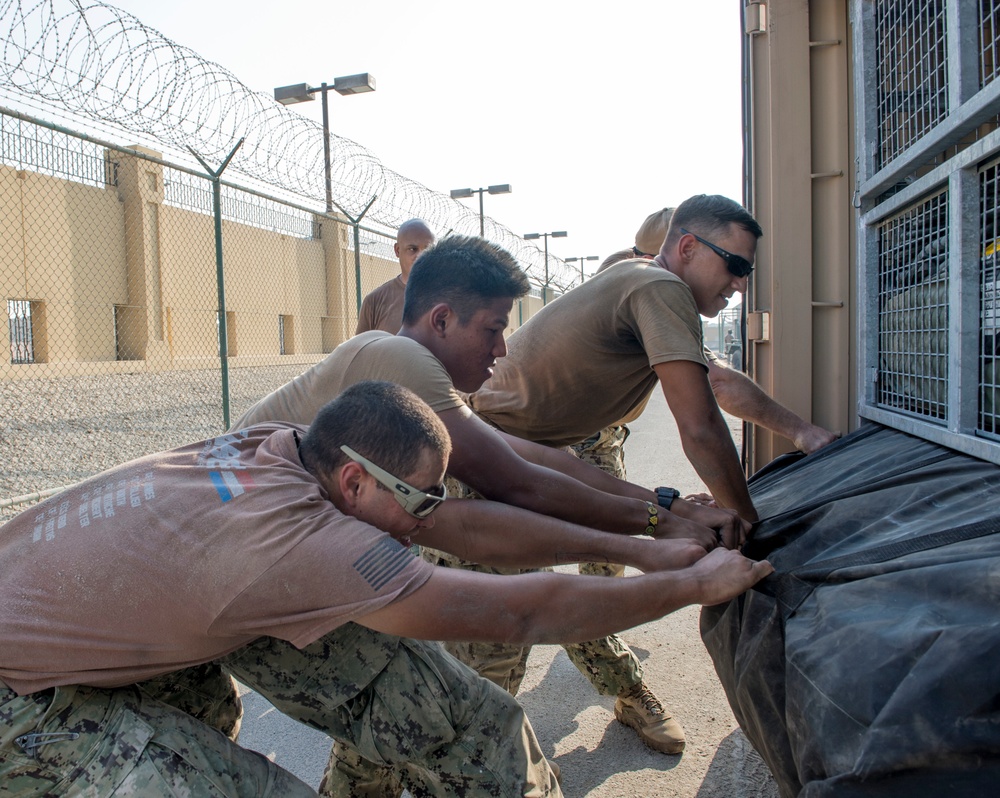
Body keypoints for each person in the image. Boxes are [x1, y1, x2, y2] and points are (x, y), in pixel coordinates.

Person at [0, 380, 773, 796]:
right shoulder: (303, 543)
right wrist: (695, 587)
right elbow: (519, 609)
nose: (427, 517)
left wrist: (639, 549)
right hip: (17, 699)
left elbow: (472, 533)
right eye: (420, 499)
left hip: (81, 632)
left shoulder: (276, 453)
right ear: (352, 478)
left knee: (462, 719)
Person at [234, 235, 749, 780]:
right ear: (441, 320)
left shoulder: (415, 374)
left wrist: (663, 510)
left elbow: (528, 466)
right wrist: (653, 532)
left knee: (399, 710)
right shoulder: (398, 360)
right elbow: (518, 485)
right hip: (253, 574)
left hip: (288, 560)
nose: (502, 348)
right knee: (433, 714)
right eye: (493, 328)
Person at [356, 218, 436, 334]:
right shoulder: (375, 302)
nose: (420, 256)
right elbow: (361, 350)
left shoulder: (452, 298)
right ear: (397, 250)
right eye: (412, 249)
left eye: (428, 249)